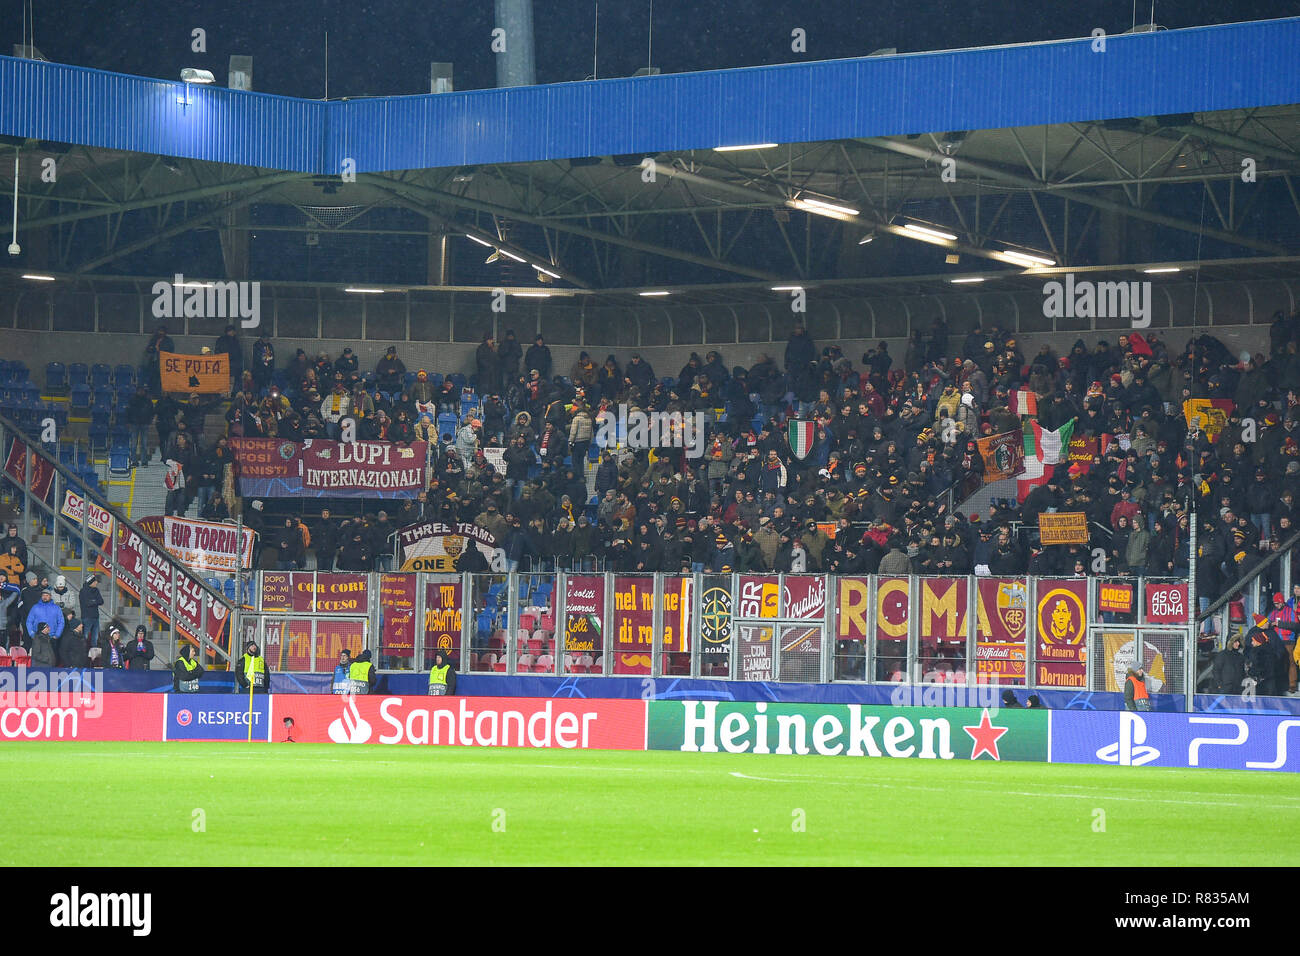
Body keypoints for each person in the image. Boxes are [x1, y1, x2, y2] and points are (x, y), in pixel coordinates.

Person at [79, 574, 104, 647]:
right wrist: (95, 601)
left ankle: (94, 653)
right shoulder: (83, 591)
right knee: (85, 636)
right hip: (87, 617)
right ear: (91, 582)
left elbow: (101, 601)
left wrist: (93, 601)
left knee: (95, 638)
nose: (96, 583)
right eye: (95, 581)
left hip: (95, 617)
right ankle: (83, 651)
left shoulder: (96, 590)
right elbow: (87, 603)